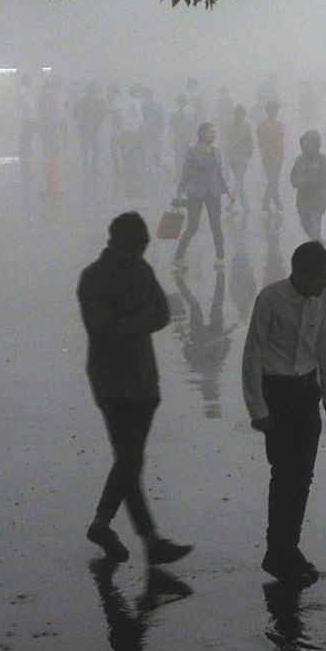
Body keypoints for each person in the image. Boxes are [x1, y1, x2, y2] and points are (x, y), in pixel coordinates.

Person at [78, 213, 193, 565]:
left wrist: (131, 321)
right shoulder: (95, 278)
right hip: (116, 382)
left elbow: (161, 314)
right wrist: (139, 319)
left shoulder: (136, 270)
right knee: (129, 459)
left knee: (129, 460)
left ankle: (103, 524)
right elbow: (105, 329)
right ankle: (150, 540)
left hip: (139, 380)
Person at [242, 242, 326, 586]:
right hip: (277, 394)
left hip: (306, 392)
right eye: (321, 276)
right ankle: (276, 551)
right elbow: (253, 352)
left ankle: (289, 547)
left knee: (303, 476)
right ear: (299, 274)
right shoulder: (270, 300)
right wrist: (257, 407)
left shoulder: (323, 297)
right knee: (284, 474)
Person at [173, 122, 230, 266]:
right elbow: (185, 173)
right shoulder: (192, 152)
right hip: (196, 192)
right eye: (210, 132)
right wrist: (179, 192)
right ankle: (178, 257)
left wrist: (227, 191)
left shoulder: (217, 152)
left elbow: (219, 173)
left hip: (213, 191)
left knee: (216, 225)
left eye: (214, 132)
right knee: (193, 226)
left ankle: (220, 258)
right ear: (202, 134)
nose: (213, 135)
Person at [290, 130, 326, 241]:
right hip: (303, 201)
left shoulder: (322, 160)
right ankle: (319, 242)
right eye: (305, 142)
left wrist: (311, 181)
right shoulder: (300, 160)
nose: (306, 145)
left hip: (317, 200)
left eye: (309, 142)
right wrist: (299, 181)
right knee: (305, 225)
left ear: (316, 144)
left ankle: (318, 252)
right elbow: (293, 178)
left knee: (315, 229)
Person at [224, 104, 255, 214]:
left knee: (238, 181)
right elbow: (250, 143)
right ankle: (241, 205)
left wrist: (248, 154)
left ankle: (234, 204)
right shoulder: (243, 127)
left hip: (239, 158)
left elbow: (249, 143)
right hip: (238, 158)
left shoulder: (234, 126)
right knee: (239, 181)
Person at [257, 101, 286, 215]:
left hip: (266, 156)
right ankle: (270, 203)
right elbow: (281, 140)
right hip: (277, 156)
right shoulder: (280, 125)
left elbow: (260, 141)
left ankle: (275, 203)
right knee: (273, 180)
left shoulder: (261, 125)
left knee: (272, 180)